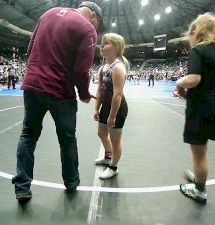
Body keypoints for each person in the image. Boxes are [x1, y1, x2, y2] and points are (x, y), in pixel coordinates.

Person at [12, 1, 105, 202]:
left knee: (28, 134)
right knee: (67, 138)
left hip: (33, 84)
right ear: (93, 16)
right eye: (97, 24)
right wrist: (84, 94)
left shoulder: (48, 13)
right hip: (59, 90)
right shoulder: (87, 28)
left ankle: (22, 187)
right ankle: (71, 182)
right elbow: (81, 69)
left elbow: (30, 48)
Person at [176, 13, 215, 204]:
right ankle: (198, 178)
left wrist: (179, 82)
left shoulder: (199, 50)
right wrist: (213, 86)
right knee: (202, 149)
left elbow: (194, 79)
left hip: (200, 106)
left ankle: (199, 190)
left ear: (196, 31)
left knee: (199, 153)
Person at [93, 33, 129, 179]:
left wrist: (112, 116)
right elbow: (100, 90)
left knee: (115, 140)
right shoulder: (103, 68)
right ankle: (108, 156)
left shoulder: (118, 67)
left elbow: (118, 94)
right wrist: (96, 108)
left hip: (117, 108)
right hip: (106, 106)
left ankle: (113, 167)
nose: (102, 46)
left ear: (116, 47)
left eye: (106, 43)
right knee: (101, 133)